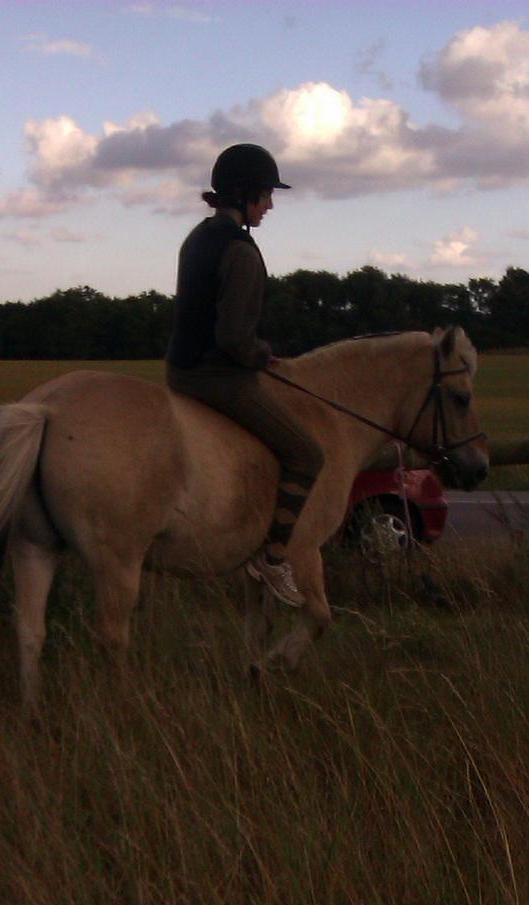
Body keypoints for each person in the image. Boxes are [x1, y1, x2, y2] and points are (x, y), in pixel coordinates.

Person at [166, 143, 324, 608]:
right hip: (218, 378)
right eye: (266, 195)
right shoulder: (241, 252)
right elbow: (234, 337)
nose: (270, 205)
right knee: (307, 454)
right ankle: (273, 559)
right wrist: (261, 354)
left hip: (179, 371)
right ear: (245, 194)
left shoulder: (197, 238)